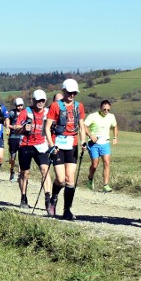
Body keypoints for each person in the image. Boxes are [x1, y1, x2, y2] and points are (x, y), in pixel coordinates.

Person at [45, 79, 86, 220]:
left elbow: (81, 125)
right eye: (69, 92)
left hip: (72, 145)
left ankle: (67, 210)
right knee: (61, 179)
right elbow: (47, 127)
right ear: (64, 91)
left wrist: (83, 141)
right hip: (58, 146)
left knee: (70, 180)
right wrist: (51, 145)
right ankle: (54, 198)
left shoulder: (79, 106)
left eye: (74, 92)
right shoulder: (56, 106)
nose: (72, 95)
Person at [14, 89, 52, 210]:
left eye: (43, 100)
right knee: (25, 173)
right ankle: (23, 197)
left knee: (45, 169)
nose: (40, 103)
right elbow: (16, 129)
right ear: (33, 100)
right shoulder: (26, 112)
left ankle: (48, 199)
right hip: (26, 145)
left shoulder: (48, 112)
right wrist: (24, 129)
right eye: (38, 100)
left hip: (41, 145)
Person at [83, 100, 119, 192]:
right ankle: (90, 179)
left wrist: (115, 137)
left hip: (105, 143)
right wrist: (90, 135)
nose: (106, 111)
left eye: (108, 110)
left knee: (106, 162)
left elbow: (115, 126)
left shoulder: (111, 117)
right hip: (94, 144)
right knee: (95, 164)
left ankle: (105, 185)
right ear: (100, 108)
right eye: (104, 109)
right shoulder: (93, 116)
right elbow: (84, 126)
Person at [7, 97, 25, 182]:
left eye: (21, 105)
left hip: (22, 137)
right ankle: (12, 171)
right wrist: (12, 127)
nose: (20, 107)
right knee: (13, 157)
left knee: (21, 157)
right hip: (13, 137)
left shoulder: (25, 113)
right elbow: (6, 123)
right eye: (18, 106)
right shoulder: (11, 113)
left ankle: (20, 174)